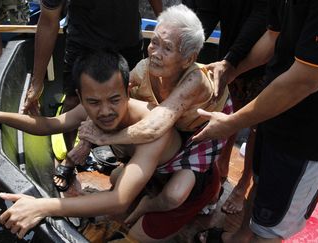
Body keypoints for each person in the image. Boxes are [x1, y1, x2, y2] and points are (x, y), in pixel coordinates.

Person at [0, 50, 218, 241]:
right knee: (117, 179)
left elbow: (119, 200)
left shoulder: (153, 129)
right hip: (152, 176)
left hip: (188, 190)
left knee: (134, 237)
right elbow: (49, 125)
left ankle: (199, 216)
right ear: (81, 95)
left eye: (114, 100)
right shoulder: (90, 107)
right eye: (93, 102)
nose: (105, 111)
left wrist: (42, 206)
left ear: (128, 90)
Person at [192, 0, 318, 242]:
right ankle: (239, 237)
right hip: (272, 110)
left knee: (270, 230)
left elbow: (306, 80)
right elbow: (272, 38)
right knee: (260, 185)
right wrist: (231, 69)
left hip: (308, 135)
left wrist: (233, 122)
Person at [76, 3, 232, 224]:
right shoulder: (143, 68)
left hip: (201, 131)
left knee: (173, 196)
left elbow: (155, 127)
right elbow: (104, 95)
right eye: (154, 42)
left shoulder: (195, 79)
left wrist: (104, 139)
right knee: (116, 176)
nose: (156, 54)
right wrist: (84, 143)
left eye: (167, 48)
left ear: (188, 59)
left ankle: (145, 206)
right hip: (172, 128)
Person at [21, 0, 163, 191]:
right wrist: (37, 82)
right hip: (83, 42)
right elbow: (48, 21)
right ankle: (71, 158)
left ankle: (129, 160)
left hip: (127, 42)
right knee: (71, 100)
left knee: (130, 102)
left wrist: (162, 22)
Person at [186, 0, 268, 214]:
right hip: (230, 55)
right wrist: (185, 46)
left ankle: (243, 184)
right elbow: (208, 11)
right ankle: (222, 163)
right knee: (229, 111)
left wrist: (232, 60)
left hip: (263, 63)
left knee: (256, 127)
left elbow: (262, 15)